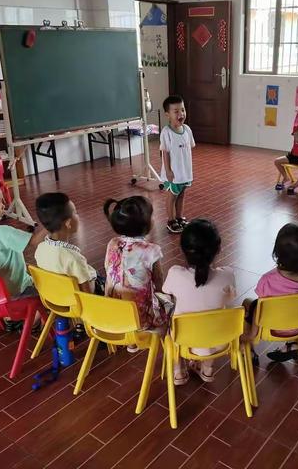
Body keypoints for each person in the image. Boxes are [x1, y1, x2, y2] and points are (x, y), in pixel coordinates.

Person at [163, 219, 236, 385]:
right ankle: (207, 368)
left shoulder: (175, 273)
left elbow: (167, 292)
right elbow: (230, 298)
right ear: (218, 249)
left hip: (184, 341)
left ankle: (179, 371)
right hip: (220, 341)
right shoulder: (228, 275)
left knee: (171, 323)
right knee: (213, 318)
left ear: (184, 250)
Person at [242, 223, 298, 362]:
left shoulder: (268, 280)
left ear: (277, 253)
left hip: (270, 329)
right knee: (297, 307)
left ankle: (249, 350)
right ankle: (293, 344)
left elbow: (259, 309)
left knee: (248, 303)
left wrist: (253, 334)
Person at [104, 196, 167, 335]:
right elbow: (159, 281)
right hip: (139, 319)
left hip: (111, 312)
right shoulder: (151, 250)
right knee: (169, 307)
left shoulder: (113, 243)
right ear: (146, 224)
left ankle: (130, 343)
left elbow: (108, 268)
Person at [34, 192, 99, 294]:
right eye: (76, 213)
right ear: (68, 223)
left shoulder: (40, 249)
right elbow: (89, 294)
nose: (78, 216)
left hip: (54, 299)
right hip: (75, 305)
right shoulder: (74, 259)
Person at [160, 95, 195, 234]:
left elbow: (188, 150)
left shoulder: (187, 129)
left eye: (183, 110)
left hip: (184, 172)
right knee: (172, 195)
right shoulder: (166, 132)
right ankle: (171, 220)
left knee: (181, 194)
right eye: (176, 111)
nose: (181, 114)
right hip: (173, 173)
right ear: (167, 114)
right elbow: (165, 153)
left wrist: (188, 169)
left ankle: (179, 217)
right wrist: (168, 171)